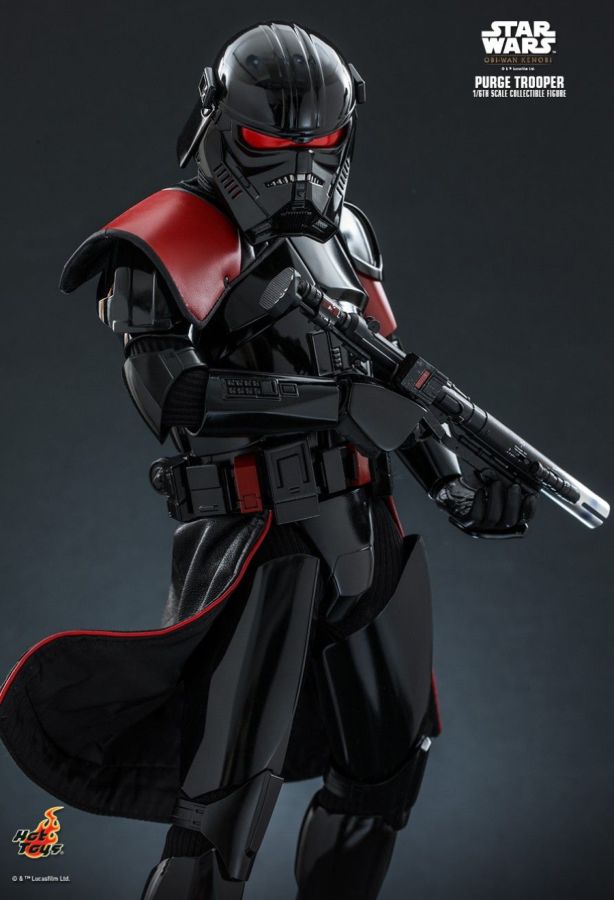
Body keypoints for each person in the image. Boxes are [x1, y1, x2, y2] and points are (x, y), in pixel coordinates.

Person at [0, 22, 536, 900]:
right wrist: (334, 406)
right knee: (220, 814)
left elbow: (394, 380)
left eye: (318, 145)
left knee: (384, 776)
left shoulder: (346, 236)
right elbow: (175, 398)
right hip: (258, 545)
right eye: (266, 140)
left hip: (362, 531)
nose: (296, 168)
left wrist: (455, 485)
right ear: (217, 118)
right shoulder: (163, 235)